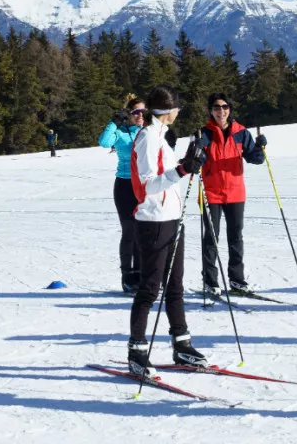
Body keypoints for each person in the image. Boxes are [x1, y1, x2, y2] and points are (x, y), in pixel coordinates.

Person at [127, 85, 208, 377]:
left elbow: (171, 173)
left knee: (175, 286)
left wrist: (189, 161)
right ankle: (136, 350)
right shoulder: (148, 137)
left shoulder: (161, 136)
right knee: (149, 289)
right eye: (177, 109)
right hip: (153, 221)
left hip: (172, 217)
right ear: (170, 111)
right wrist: (183, 169)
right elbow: (148, 184)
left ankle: (182, 343)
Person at [195, 93, 265, 296]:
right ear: (211, 110)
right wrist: (197, 151)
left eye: (224, 107)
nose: (221, 111)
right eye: (216, 107)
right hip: (211, 193)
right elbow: (193, 161)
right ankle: (210, 281)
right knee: (211, 238)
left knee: (236, 237)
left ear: (229, 109)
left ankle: (237, 280)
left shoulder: (241, 133)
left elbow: (255, 158)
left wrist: (260, 147)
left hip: (235, 192)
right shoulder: (202, 134)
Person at [99, 96, 147, 293]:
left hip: (144, 185)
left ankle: (141, 274)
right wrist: (114, 122)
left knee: (143, 232)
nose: (140, 116)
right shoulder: (121, 132)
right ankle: (128, 277)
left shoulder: (148, 132)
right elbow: (104, 142)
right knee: (129, 231)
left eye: (143, 112)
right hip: (125, 184)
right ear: (129, 114)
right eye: (136, 112)